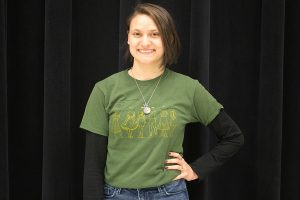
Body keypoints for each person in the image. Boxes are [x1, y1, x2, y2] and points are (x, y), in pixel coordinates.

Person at [80, 3, 244, 200]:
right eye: (137, 34)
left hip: (169, 194)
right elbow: (92, 167)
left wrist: (196, 170)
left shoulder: (188, 89)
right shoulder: (104, 90)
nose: (145, 42)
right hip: (117, 195)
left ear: (169, 39)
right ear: (128, 39)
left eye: (155, 34)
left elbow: (233, 137)